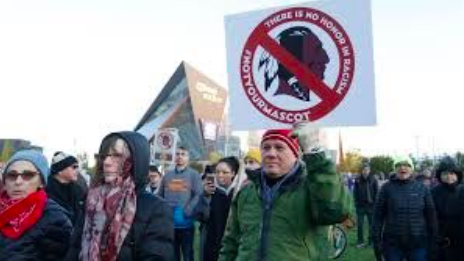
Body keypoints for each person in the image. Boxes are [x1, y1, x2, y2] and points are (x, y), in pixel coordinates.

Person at [219, 127, 353, 261]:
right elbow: (231, 242)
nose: (271, 153)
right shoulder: (247, 191)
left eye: (279, 147)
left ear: (295, 154)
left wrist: (315, 155)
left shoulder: (311, 188)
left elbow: (335, 212)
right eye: (266, 147)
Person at [67, 131, 174, 260]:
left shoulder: (156, 208)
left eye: (117, 156)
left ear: (135, 160)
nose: (106, 162)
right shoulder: (91, 200)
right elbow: (74, 249)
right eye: (104, 156)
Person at [0, 149, 72, 260]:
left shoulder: (55, 219)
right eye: (12, 175)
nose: (18, 181)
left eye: (28, 175)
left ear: (42, 182)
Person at [373, 155, 438, 261]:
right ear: (395, 169)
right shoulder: (386, 188)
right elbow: (378, 217)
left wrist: (434, 241)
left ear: (411, 169)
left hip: (418, 244)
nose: (402, 168)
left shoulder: (422, 188)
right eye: (399, 165)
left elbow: (431, 217)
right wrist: (377, 241)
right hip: (393, 244)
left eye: (406, 165)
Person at [158, 145, 202, 261]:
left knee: (187, 255)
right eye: (177, 154)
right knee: (173, 255)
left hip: (186, 223)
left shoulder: (194, 175)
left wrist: (188, 210)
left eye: (183, 154)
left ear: (188, 158)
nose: (180, 157)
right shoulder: (167, 175)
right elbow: (159, 196)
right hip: (170, 224)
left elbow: (198, 195)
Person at [195, 157, 240, 261]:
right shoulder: (210, 192)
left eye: (225, 172)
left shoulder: (238, 193)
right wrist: (205, 197)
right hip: (212, 244)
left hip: (231, 246)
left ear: (233, 173)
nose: (220, 175)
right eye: (217, 172)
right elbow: (201, 216)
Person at [431, 156, 464, 260]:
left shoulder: (462, 190)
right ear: (440, 175)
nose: (449, 176)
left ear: (457, 175)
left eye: (452, 173)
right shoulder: (433, 192)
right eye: (445, 173)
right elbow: (431, 216)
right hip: (442, 242)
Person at [46, 151, 87, 225]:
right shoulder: (45, 190)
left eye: (78, 167)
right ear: (60, 170)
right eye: (74, 167)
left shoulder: (78, 190)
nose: (77, 170)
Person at [353, 163, 378, 248]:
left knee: (371, 225)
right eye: (364, 170)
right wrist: (356, 203)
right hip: (360, 206)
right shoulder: (357, 180)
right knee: (360, 225)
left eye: (367, 170)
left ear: (369, 170)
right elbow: (355, 192)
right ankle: (360, 241)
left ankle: (371, 242)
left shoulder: (374, 179)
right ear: (362, 170)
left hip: (371, 206)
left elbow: (377, 192)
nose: (365, 171)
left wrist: (375, 203)